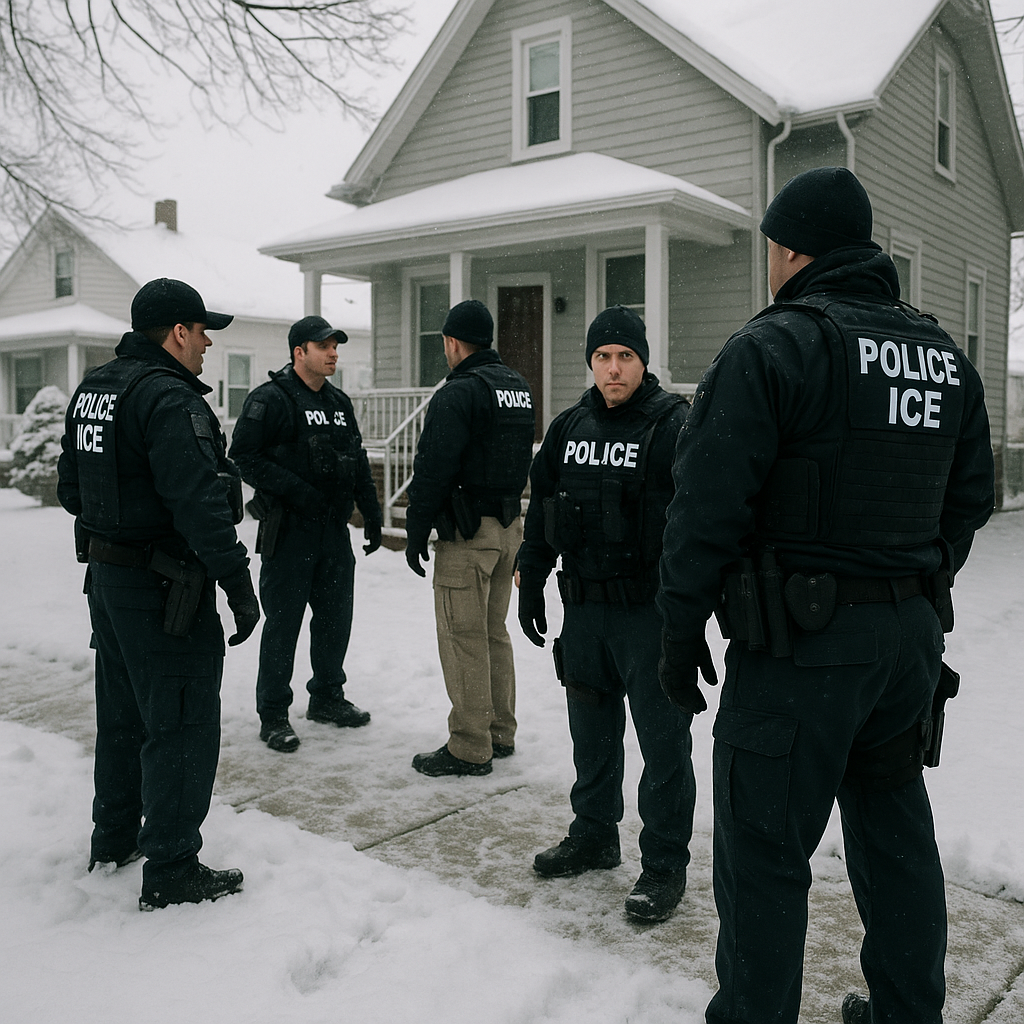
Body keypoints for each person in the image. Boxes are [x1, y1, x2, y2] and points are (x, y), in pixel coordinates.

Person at [657, 168, 995, 1023]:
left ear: (791, 247)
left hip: (799, 648)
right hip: (906, 647)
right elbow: (970, 495)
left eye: (772, 245)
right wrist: (910, 579)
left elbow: (705, 501)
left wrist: (678, 622)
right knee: (893, 837)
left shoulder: (776, 346)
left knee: (765, 850)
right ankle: (907, 1012)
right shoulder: (943, 357)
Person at [57, 277, 260, 911]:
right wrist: (239, 584)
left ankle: (114, 840)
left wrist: (122, 513)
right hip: (164, 587)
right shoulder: (172, 399)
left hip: (109, 581)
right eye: (202, 332)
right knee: (180, 722)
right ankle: (172, 865)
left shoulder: (97, 390)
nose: (205, 345)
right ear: (177, 332)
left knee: (122, 718)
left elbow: (70, 489)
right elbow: (201, 508)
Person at [516, 306, 695, 923]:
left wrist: (692, 617)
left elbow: (701, 525)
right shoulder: (569, 427)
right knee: (591, 737)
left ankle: (665, 861)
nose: (613, 368)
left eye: (624, 356)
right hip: (584, 610)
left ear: (643, 360)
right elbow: (543, 509)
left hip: (649, 616)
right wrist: (532, 579)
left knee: (663, 745)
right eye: (602, 357)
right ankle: (594, 835)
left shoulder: (675, 426)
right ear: (589, 362)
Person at [229, 315, 382, 752]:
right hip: (290, 532)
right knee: (284, 624)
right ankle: (274, 713)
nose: (334, 353)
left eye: (336, 346)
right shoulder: (271, 400)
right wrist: (299, 492)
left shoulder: (338, 403)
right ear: (299, 352)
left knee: (336, 620)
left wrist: (370, 514)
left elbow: (356, 459)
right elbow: (243, 456)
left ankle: (328, 697)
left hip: (333, 533)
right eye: (324, 346)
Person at [404, 299, 535, 776]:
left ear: (452, 342)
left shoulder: (457, 393)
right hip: (507, 527)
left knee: (463, 639)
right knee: (493, 634)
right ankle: (499, 732)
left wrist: (418, 527)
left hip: (467, 533)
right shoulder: (517, 387)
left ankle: (469, 745)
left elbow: (433, 467)